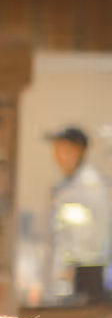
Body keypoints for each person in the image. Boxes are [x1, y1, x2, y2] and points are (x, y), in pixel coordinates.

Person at [42, 125, 110, 302]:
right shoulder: (66, 186)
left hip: (83, 278)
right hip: (68, 278)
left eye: (62, 149)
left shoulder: (88, 187)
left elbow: (92, 238)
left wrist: (69, 269)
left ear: (77, 151)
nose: (56, 155)